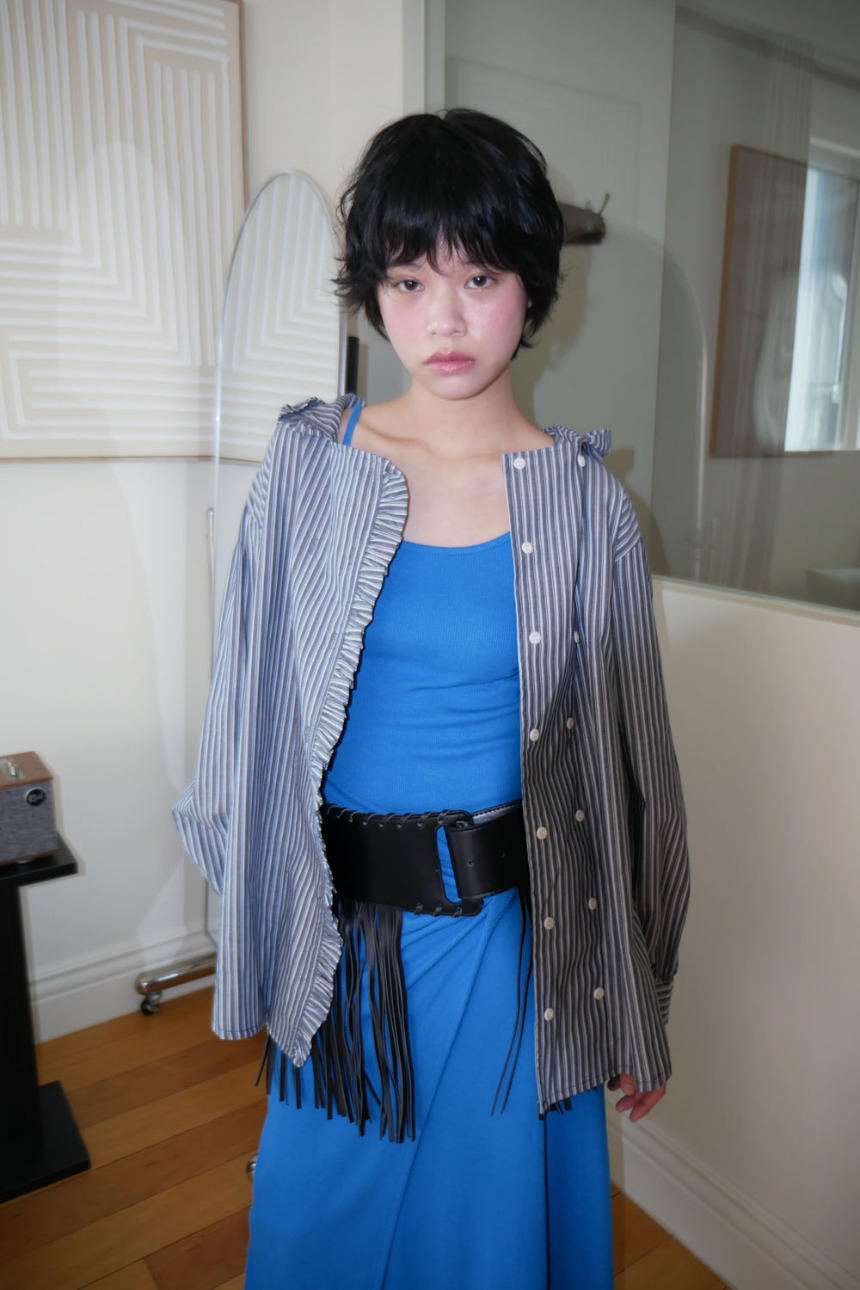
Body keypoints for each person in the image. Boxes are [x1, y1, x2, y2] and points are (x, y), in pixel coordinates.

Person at [174, 108, 690, 1289]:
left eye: (479, 277)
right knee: (305, 1236)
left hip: (516, 959)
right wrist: (258, 919)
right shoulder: (306, 471)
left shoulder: (588, 510)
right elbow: (240, 722)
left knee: (488, 1251)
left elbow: (638, 780)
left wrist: (636, 993)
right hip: (346, 955)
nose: (442, 320)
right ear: (372, 289)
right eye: (408, 280)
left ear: (531, 286)